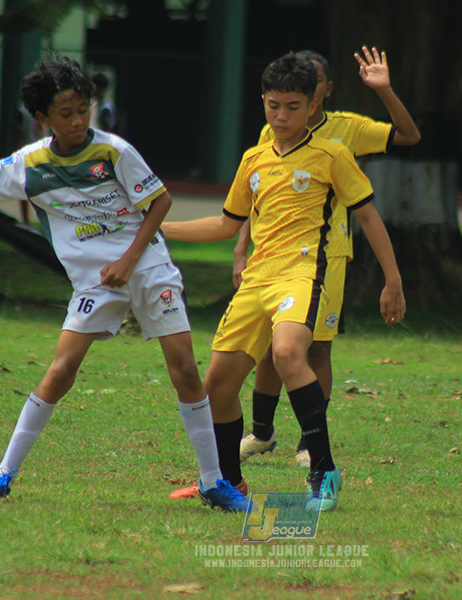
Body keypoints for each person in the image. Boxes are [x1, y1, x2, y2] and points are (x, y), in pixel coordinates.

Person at [0, 55, 247, 511]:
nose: (78, 121)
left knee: (186, 371)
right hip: (96, 283)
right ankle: (3, 475)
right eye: (66, 113)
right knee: (60, 371)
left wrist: (129, 258)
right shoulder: (31, 164)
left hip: (149, 268)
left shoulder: (114, 151)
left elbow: (160, 202)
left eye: (83, 110)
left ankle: (213, 482)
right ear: (42, 119)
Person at [162, 52, 407, 511]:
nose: (281, 115)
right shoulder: (253, 159)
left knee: (289, 352)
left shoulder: (332, 154)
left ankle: (323, 472)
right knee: (217, 385)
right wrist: (160, 229)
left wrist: (392, 280)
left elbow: (369, 217)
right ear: (263, 101)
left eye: (293, 106)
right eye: (273, 105)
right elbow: (223, 223)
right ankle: (232, 483)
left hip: (302, 272)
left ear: (313, 106)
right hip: (258, 279)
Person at [232, 47, 421, 468]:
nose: (293, 104)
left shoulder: (345, 132)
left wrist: (386, 91)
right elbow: (256, 195)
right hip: (272, 256)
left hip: (326, 255)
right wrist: (241, 249)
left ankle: (308, 442)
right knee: (270, 349)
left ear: (323, 93)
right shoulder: (272, 133)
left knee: (314, 350)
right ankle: (262, 433)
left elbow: (408, 136)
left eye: (310, 89)